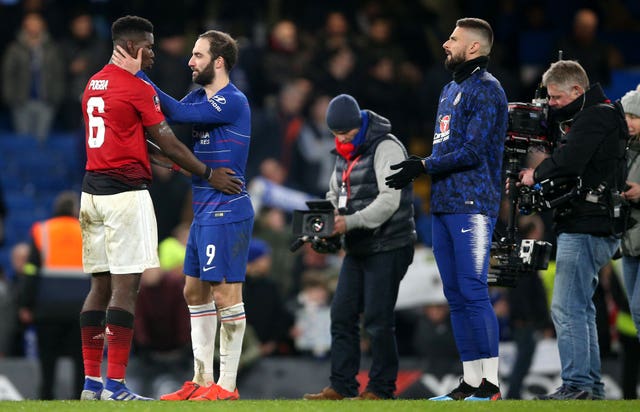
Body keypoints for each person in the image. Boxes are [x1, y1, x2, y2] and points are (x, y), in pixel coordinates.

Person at [78, 16, 242, 402]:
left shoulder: (93, 83)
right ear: (133, 47)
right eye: (149, 47)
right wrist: (205, 173)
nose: (153, 54)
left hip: (91, 193)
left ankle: (91, 384)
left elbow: (123, 135)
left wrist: (161, 160)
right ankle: (116, 386)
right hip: (124, 196)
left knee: (98, 288)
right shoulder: (136, 87)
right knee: (126, 289)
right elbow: (168, 139)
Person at [385, 18, 507, 401]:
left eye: (453, 39)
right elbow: (446, 151)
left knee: (473, 291)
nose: (445, 44)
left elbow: (472, 151)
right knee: (453, 295)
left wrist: (422, 166)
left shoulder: (487, 90)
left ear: (473, 48)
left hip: (472, 204)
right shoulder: (449, 89)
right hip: (443, 203)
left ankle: (490, 385)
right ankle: (470, 382)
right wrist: (424, 168)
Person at [515, 60, 627, 400]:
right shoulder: (594, 115)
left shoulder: (597, 116)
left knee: (566, 307)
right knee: (580, 306)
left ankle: (578, 383)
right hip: (590, 222)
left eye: (557, 97)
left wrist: (535, 174)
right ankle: (589, 386)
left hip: (587, 223)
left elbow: (570, 162)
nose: (552, 104)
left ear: (578, 90)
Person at [302, 93, 415, 400]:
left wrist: (347, 223)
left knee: (378, 319)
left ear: (359, 124)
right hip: (359, 246)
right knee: (341, 314)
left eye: (346, 133)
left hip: (391, 243)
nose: (342, 139)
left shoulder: (387, 146)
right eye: (336, 134)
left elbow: (389, 201)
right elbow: (332, 193)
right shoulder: (343, 152)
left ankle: (381, 388)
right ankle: (341, 386)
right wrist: (325, 224)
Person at [16, 191, 88, 399]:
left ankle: (46, 396)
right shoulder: (86, 231)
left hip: (47, 308)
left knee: (48, 359)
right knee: (80, 359)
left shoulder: (42, 231)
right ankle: (79, 398)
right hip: (80, 308)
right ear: (75, 211)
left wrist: (26, 305)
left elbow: (31, 272)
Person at [1, 12, 65, 141]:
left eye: (36, 22)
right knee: (23, 140)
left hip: (46, 100)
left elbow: (59, 74)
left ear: (43, 25)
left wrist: (56, 97)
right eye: (30, 22)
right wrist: (10, 98)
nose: (33, 26)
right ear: (24, 25)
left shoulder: (52, 48)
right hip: (21, 101)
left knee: (42, 141)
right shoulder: (14, 48)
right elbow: (7, 74)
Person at [620, 87, 640, 342]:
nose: (628, 123)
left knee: (638, 310)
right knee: (636, 317)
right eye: (625, 116)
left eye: (634, 116)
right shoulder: (623, 149)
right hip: (629, 243)